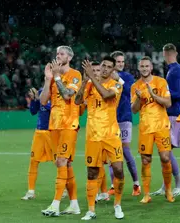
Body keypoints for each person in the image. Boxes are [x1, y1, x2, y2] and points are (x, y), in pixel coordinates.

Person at [75, 56, 125, 220]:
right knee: (92, 172)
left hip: (111, 135)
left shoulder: (117, 85)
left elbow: (105, 95)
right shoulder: (89, 84)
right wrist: (84, 81)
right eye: (103, 65)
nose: (104, 69)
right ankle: (91, 210)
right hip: (93, 135)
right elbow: (77, 101)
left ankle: (117, 204)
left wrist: (92, 78)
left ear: (113, 70)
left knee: (118, 170)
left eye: (109, 67)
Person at [40, 46, 81, 217]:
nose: (58, 56)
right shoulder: (53, 76)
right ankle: (74, 204)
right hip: (54, 125)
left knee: (62, 161)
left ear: (70, 57)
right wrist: (47, 79)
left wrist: (56, 77)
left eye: (62, 53)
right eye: (57, 53)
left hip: (69, 124)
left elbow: (67, 95)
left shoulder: (75, 75)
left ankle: (55, 204)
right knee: (65, 164)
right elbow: (43, 101)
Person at [131, 56, 174, 204]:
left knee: (165, 158)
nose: (144, 68)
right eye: (141, 66)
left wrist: (153, 95)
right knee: (145, 160)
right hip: (145, 128)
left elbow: (168, 103)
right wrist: (138, 99)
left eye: (146, 66)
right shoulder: (135, 86)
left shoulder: (161, 82)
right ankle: (147, 194)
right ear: (139, 68)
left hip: (161, 126)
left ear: (151, 68)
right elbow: (134, 110)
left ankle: (168, 190)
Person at [151, 43, 180, 197]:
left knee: (167, 150)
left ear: (165, 54)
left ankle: (179, 185)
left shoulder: (175, 71)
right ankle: (167, 185)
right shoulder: (174, 70)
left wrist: (159, 95)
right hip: (171, 112)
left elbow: (178, 93)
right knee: (164, 151)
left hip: (173, 113)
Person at [107, 51, 140, 196]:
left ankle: (136, 184)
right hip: (110, 119)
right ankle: (114, 185)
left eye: (122, 61)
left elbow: (131, 92)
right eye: (118, 61)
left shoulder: (127, 77)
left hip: (125, 118)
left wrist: (118, 79)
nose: (120, 64)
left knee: (125, 151)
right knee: (111, 153)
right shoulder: (106, 78)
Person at [21, 86, 52, 200]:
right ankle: (31, 191)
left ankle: (64, 189)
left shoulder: (57, 91)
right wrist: (34, 99)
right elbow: (33, 111)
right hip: (39, 131)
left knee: (59, 162)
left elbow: (56, 109)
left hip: (52, 131)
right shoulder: (40, 91)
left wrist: (42, 101)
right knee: (33, 161)